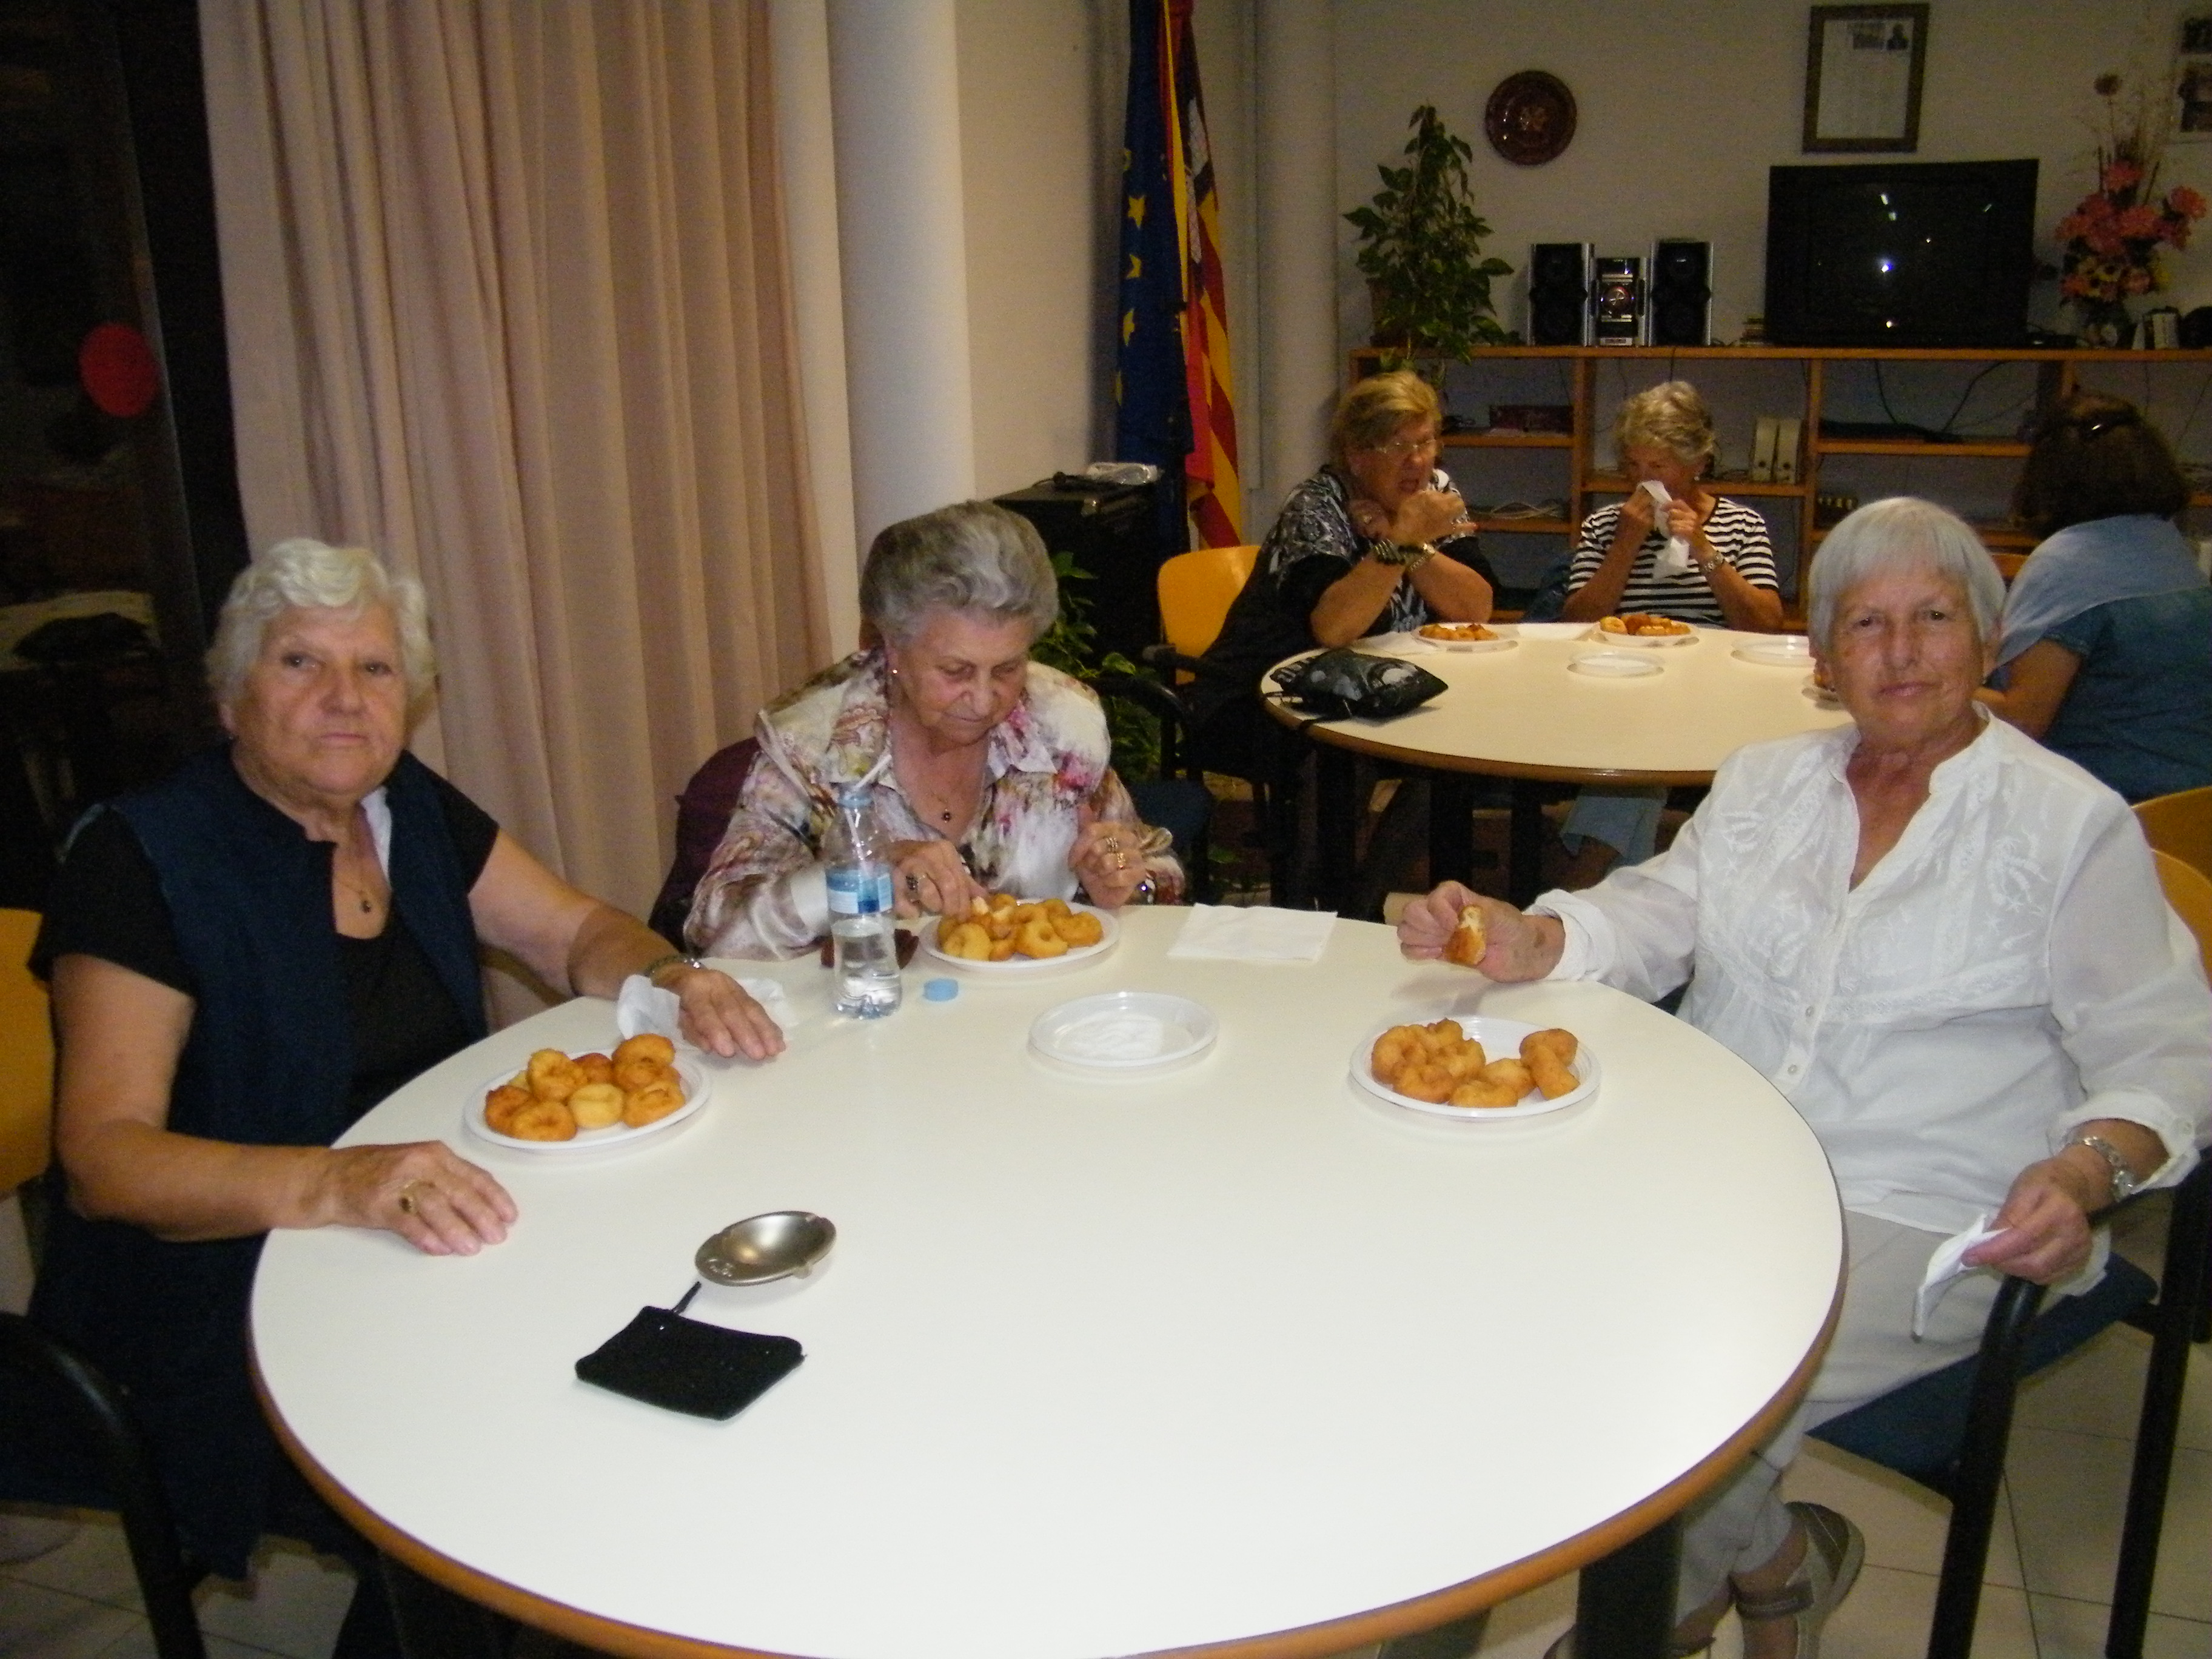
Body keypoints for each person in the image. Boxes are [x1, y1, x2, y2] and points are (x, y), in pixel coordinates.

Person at [1399, 497, 2210, 1659]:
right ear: (1821, 659)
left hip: (1928, 1205)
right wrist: (1537, 936)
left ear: (1988, 638)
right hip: (1719, 1171)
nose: (1900, 651)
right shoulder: (1761, 782)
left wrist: (2085, 1171)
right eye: (1864, 624)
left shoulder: (2065, 826)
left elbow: (2165, 1049)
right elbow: (1653, 914)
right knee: (1501, 1315)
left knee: (1672, 1392)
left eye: (1933, 617)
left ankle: (1641, 1628)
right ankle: (1777, 1563)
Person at [19, 538, 785, 1656]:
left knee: (672, 1343)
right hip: (224, 1295)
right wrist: (342, 1184)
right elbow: (106, 1159)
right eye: (301, 663)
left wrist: (672, 977)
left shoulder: (402, 809)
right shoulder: (143, 857)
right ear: (231, 693)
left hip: (432, 1237)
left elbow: (575, 932)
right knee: (516, 1469)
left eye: (374, 669)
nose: (345, 698)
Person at [685, 501, 1179, 957]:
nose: (984, 700)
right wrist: (863, 873)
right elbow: (717, 932)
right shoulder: (814, 746)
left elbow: (1156, 865)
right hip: (877, 1011)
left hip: (1041, 1009)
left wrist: (1124, 881)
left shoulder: (1060, 726)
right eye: (956, 671)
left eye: (1008, 669)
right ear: (893, 648)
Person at [1185, 370, 1497, 777]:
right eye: (1398, 446)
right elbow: (1334, 628)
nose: (1418, 461)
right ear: (1356, 455)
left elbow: (1475, 609)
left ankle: (1409, 824)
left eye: (1425, 443)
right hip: (1265, 693)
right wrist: (1400, 542)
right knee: (1358, 747)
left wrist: (1409, 544)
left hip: (1373, 688)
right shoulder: (1314, 507)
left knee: (1464, 729)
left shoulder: (1433, 493)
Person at [1556, 381, 1785, 884]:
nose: (1643, 482)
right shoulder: (1606, 525)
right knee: (1639, 742)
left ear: (1696, 462)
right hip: (1619, 688)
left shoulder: (1742, 526)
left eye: (1658, 467)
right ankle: (1611, 894)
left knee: (1643, 750)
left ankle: (1587, 883)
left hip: (1712, 694)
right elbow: (1575, 622)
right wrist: (1625, 544)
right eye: (1633, 466)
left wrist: (1703, 549)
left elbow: (1766, 625)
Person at [1986, 391, 2212, 802]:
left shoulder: (2064, 562)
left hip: (2109, 812)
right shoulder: (2173, 548)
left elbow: (2020, 724)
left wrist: (1931, 687)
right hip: (2192, 813)